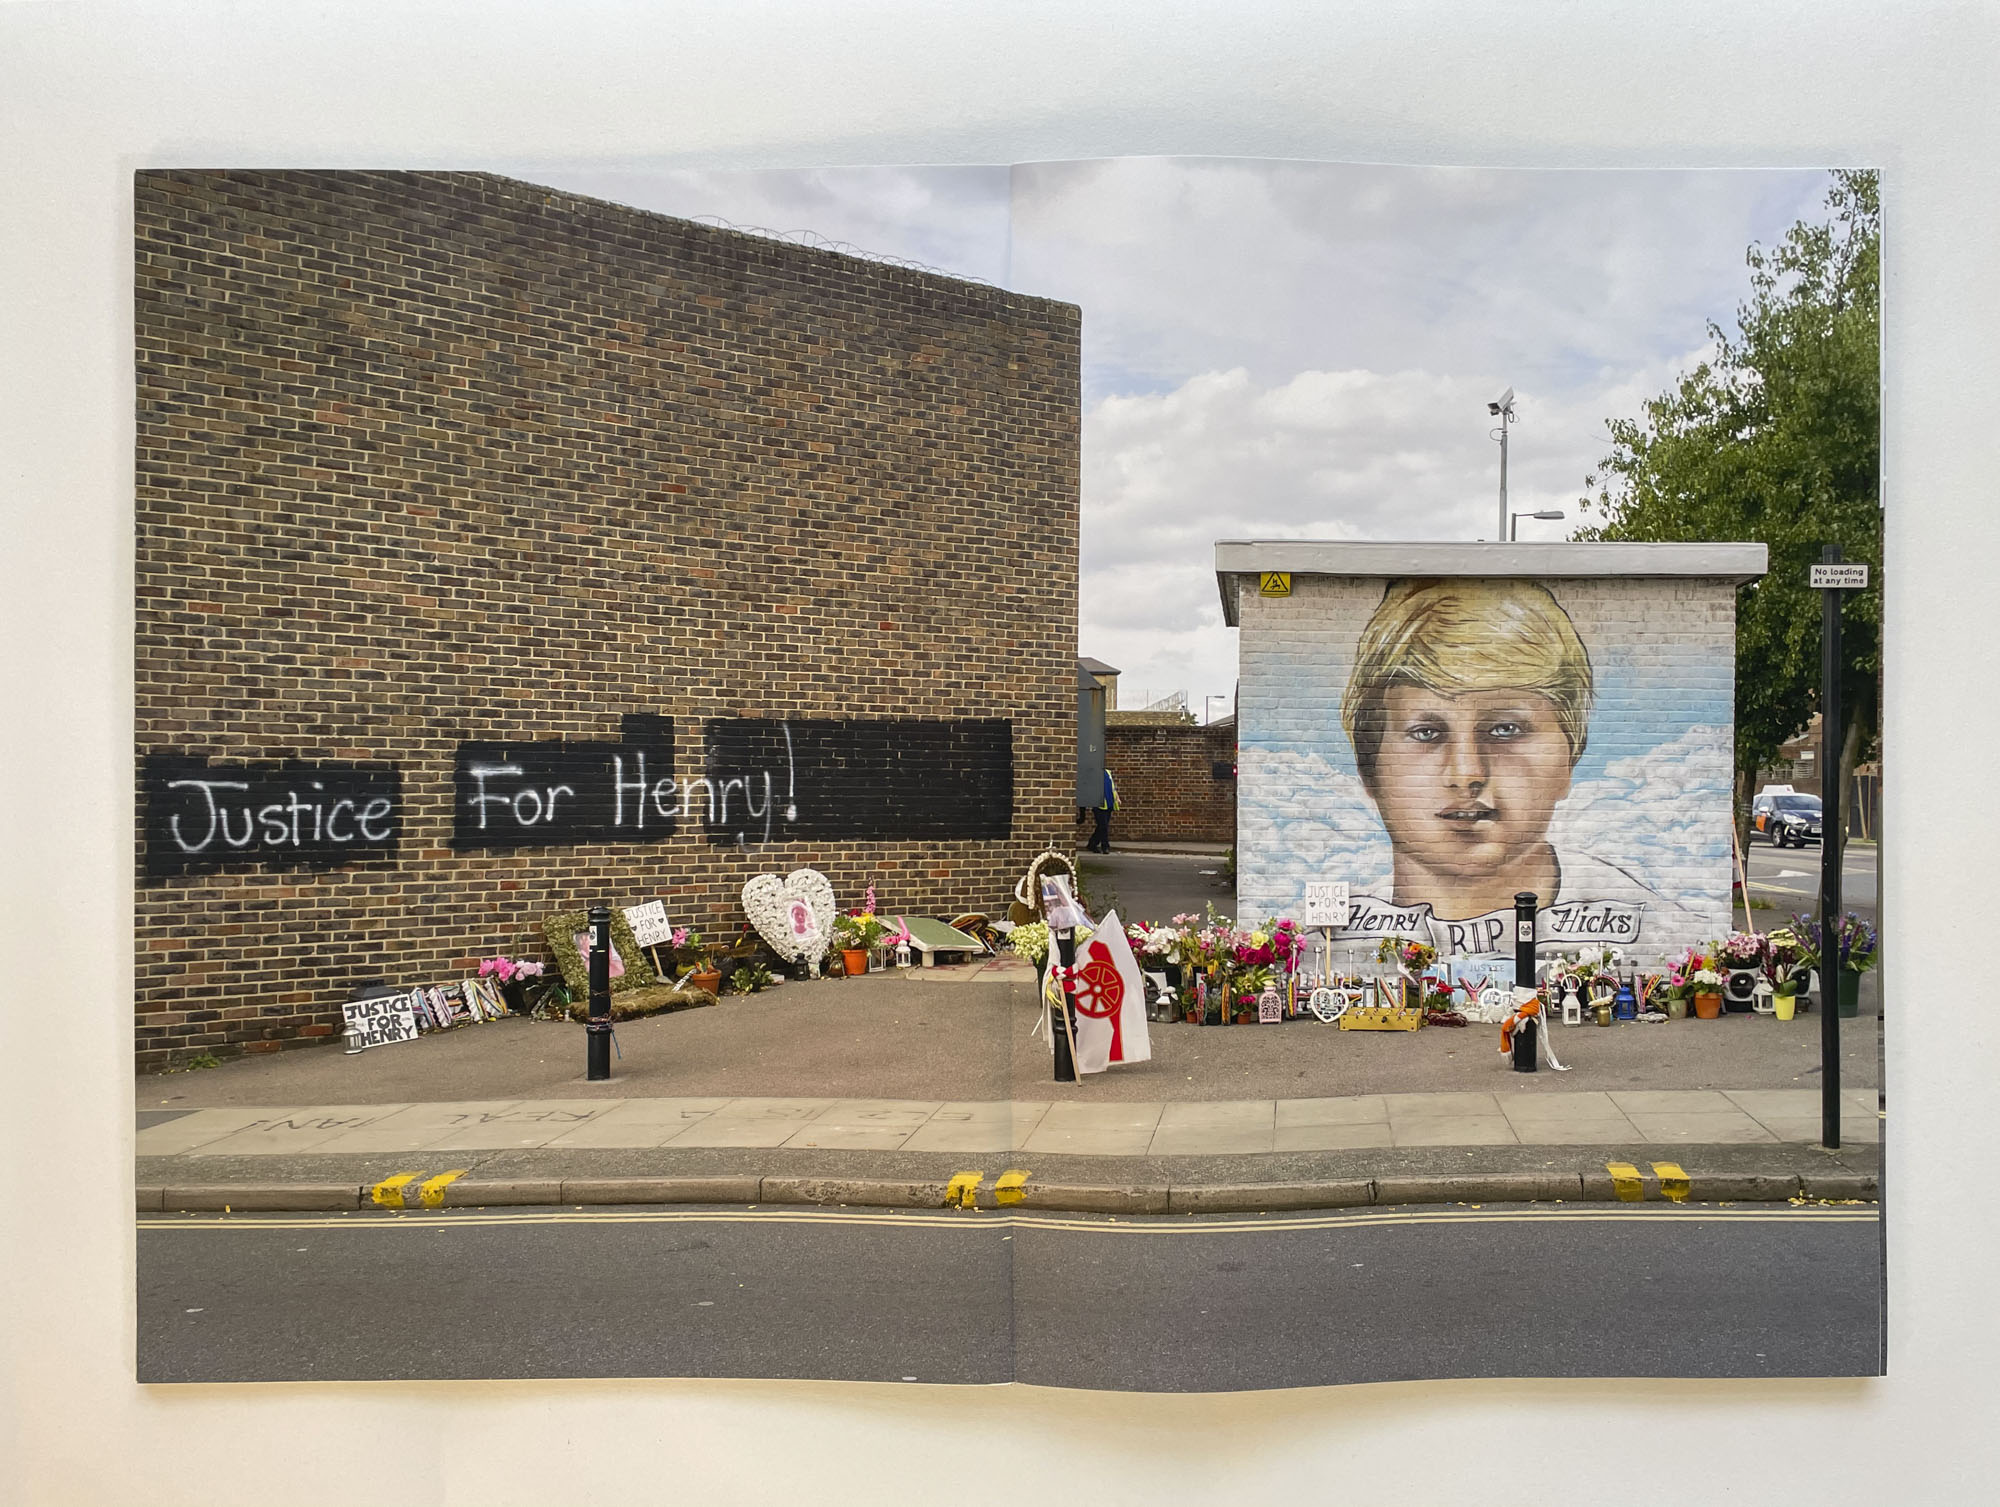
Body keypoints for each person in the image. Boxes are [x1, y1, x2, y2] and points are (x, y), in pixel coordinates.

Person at [1341, 578, 1664, 921]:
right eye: (1427, 733)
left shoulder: (1659, 934)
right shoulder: (1329, 945)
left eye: (1505, 730)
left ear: (1569, 758)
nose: (1467, 774)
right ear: (1368, 767)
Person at [1087, 766, 1119, 853]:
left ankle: (1092, 843)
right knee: (1103, 826)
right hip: (1098, 805)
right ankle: (1105, 846)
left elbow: (1112, 787)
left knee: (1102, 826)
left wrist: (1117, 798)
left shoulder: (1108, 772)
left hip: (1109, 803)